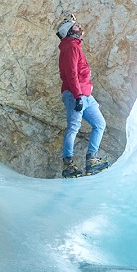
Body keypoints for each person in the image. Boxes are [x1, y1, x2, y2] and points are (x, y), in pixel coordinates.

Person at [56, 18, 109, 177]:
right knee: (73, 127)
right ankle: (68, 165)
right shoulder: (70, 47)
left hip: (84, 94)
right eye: (76, 25)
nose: (79, 27)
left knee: (99, 124)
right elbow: (72, 74)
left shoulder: (74, 47)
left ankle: (91, 160)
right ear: (70, 31)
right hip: (75, 94)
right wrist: (78, 96)